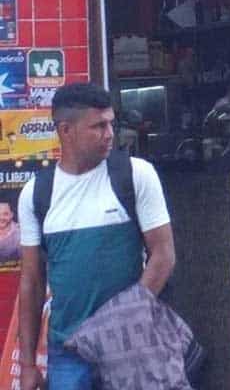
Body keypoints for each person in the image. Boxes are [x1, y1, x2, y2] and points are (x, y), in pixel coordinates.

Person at [18, 82, 175, 390]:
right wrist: (27, 365)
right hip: (68, 351)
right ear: (66, 131)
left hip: (131, 349)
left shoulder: (136, 174)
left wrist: (123, 321)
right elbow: (32, 282)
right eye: (98, 126)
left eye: (110, 124)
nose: (109, 134)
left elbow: (164, 256)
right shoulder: (36, 194)